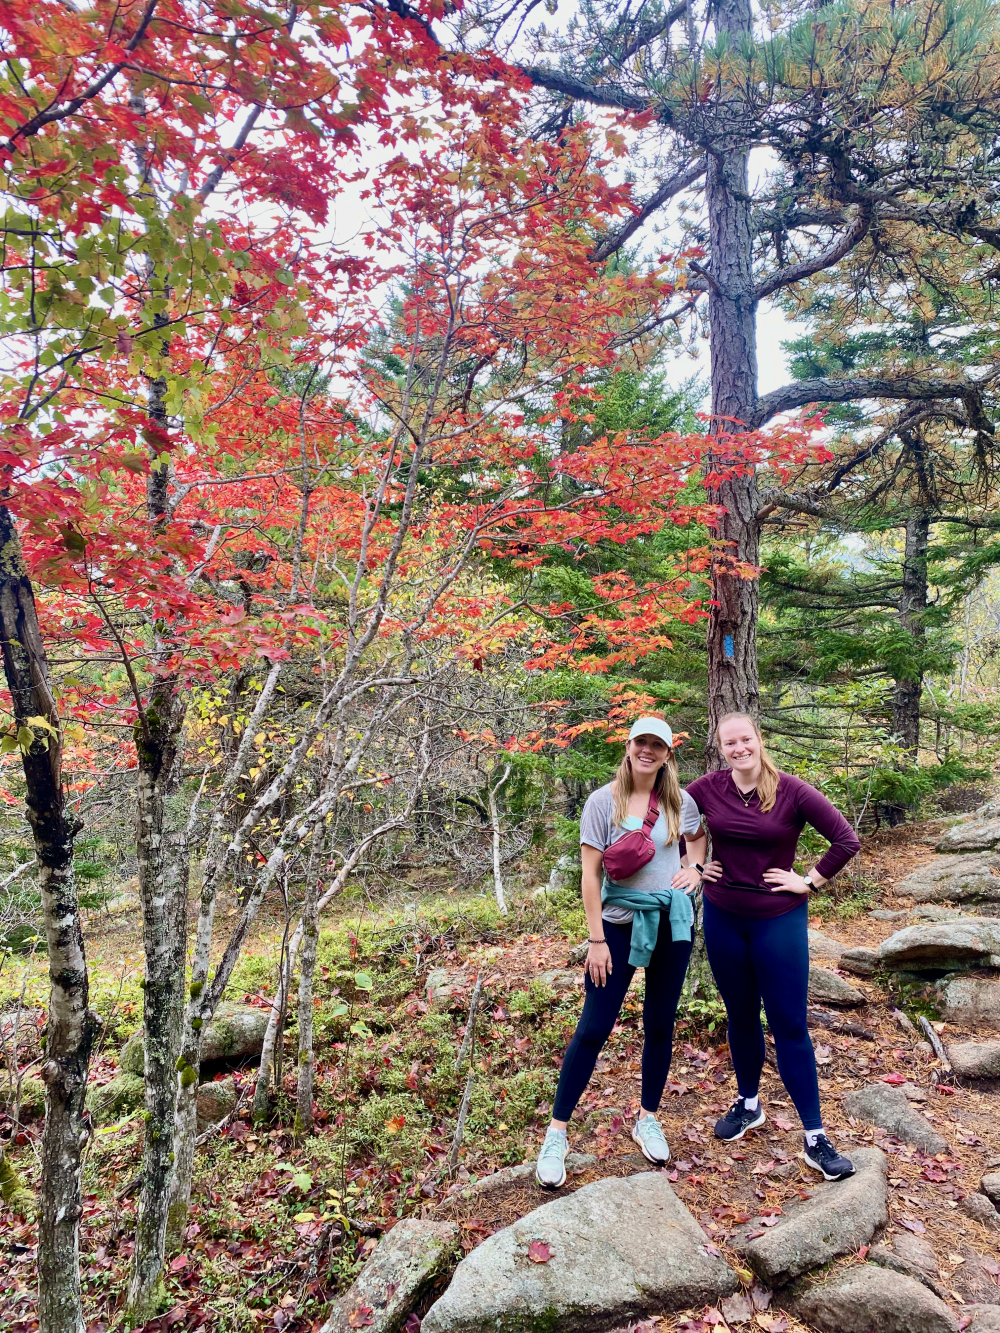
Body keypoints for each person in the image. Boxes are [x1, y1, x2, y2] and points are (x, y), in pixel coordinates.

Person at [683, 712, 862, 1181]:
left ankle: (815, 1137)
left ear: (758, 741)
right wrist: (697, 865)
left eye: (745, 740)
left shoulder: (793, 791)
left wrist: (808, 881)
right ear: (720, 747)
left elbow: (846, 839)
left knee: (789, 1025)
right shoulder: (707, 788)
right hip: (724, 918)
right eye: (729, 743)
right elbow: (667, 822)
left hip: (777, 921)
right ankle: (748, 1105)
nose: (739, 748)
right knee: (740, 1016)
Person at [534, 717, 704, 1188]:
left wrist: (696, 869)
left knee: (659, 1024)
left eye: (657, 745)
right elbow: (590, 876)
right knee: (593, 1028)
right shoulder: (601, 802)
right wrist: (595, 939)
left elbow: (697, 841)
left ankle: (647, 1116)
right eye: (640, 742)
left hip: (671, 926)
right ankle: (557, 1133)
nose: (648, 751)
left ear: (668, 753)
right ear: (628, 747)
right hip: (617, 928)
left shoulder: (679, 801)